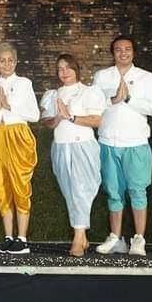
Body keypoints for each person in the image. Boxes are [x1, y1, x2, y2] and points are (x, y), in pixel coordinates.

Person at [91, 36, 152, 257]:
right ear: (112, 53)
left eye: (127, 49)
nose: (123, 53)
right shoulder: (102, 76)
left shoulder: (146, 77)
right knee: (113, 193)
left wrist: (129, 99)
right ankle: (116, 238)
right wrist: (113, 99)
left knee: (137, 191)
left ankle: (139, 239)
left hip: (136, 143)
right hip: (108, 142)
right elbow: (92, 106)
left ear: (134, 52)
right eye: (118, 49)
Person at [40, 54, 106, 257]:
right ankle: (82, 236)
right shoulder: (53, 95)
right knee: (70, 191)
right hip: (61, 147)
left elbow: (97, 121)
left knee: (81, 190)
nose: (64, 72)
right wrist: (59, 117)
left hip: (83, 146)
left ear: (76, 69)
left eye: (68, 67)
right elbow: (47, 122)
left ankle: (78, 238)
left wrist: (71, 116)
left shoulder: (88, 92)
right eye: (60, 69)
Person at [0, 42, 39, 256]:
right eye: (2, 61)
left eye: (10, 60)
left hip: (18, 135)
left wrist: (10, 106)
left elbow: (35, 115)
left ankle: (22, 238)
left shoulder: (24, 83)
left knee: (19, 184)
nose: (6, 64)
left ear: (16, 62)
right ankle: (8, 237)